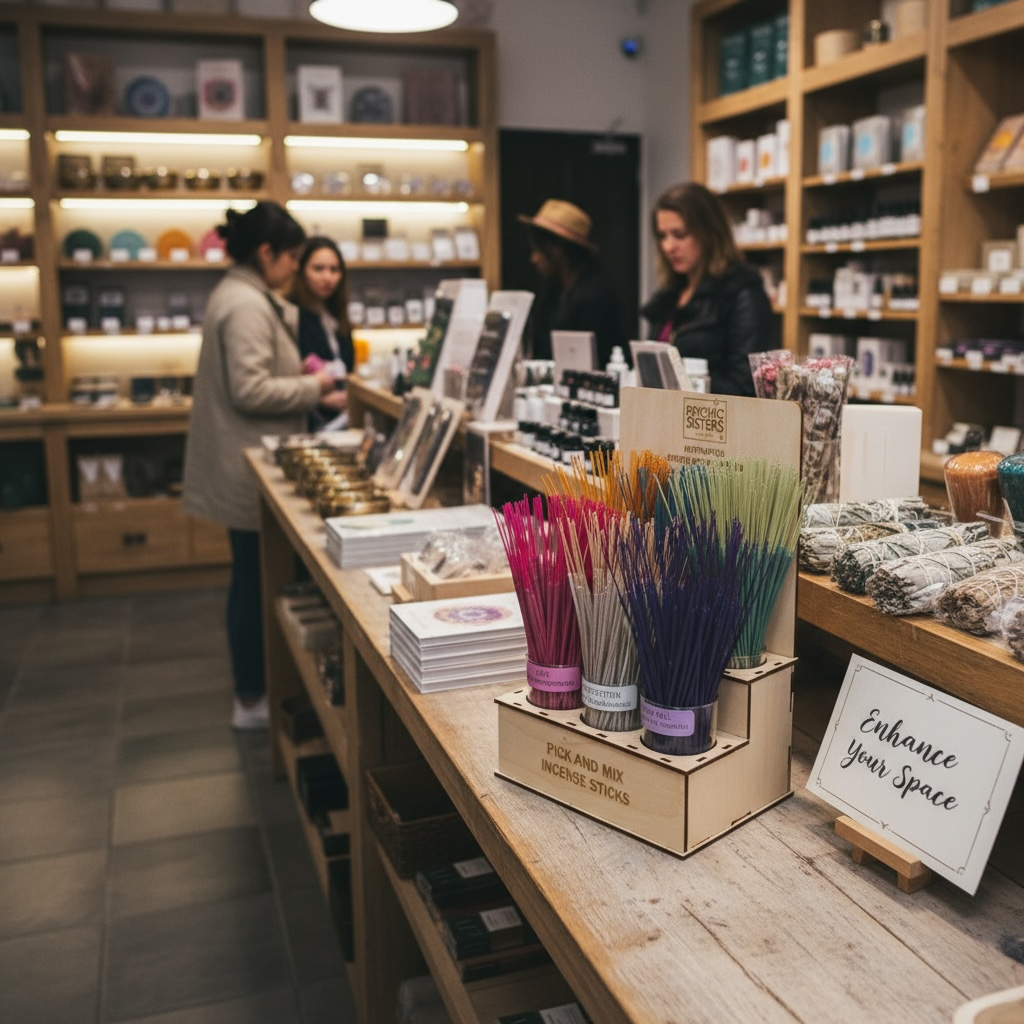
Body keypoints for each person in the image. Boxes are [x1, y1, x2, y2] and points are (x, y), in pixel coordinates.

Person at [182, 201, 346, 730]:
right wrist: (314, 385)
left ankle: (254, 693)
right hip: (245, 467)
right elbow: (250, 389)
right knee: (253, 583)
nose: (297, 268)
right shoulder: (247, 304)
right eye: (293, 257)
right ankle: (252, 697)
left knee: (250, 579)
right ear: (266, 252)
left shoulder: (242, 295)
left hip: (244, 461)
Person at [641, 182, 772, 396]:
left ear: (708, 233)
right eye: (662, 236)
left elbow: (746, 386)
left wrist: (690, 379)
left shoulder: (742, 294)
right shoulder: (670, 295)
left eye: (679, 234)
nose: (668, 246)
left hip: (712, 423)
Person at [518, 198, 625, 369]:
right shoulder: (553, 292)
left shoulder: (596, 296)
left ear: (558, 250)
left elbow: (594, 361)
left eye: (538, 250)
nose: (534, 259)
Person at [286, 236, 356, 428]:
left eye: (334, 269)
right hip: (305, 421)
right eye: (318, 269)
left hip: (341, 420)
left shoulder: (336, 315)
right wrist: (320, 398)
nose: (328, 277)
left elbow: (347, 367)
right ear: (301, 270)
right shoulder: (290, 316)